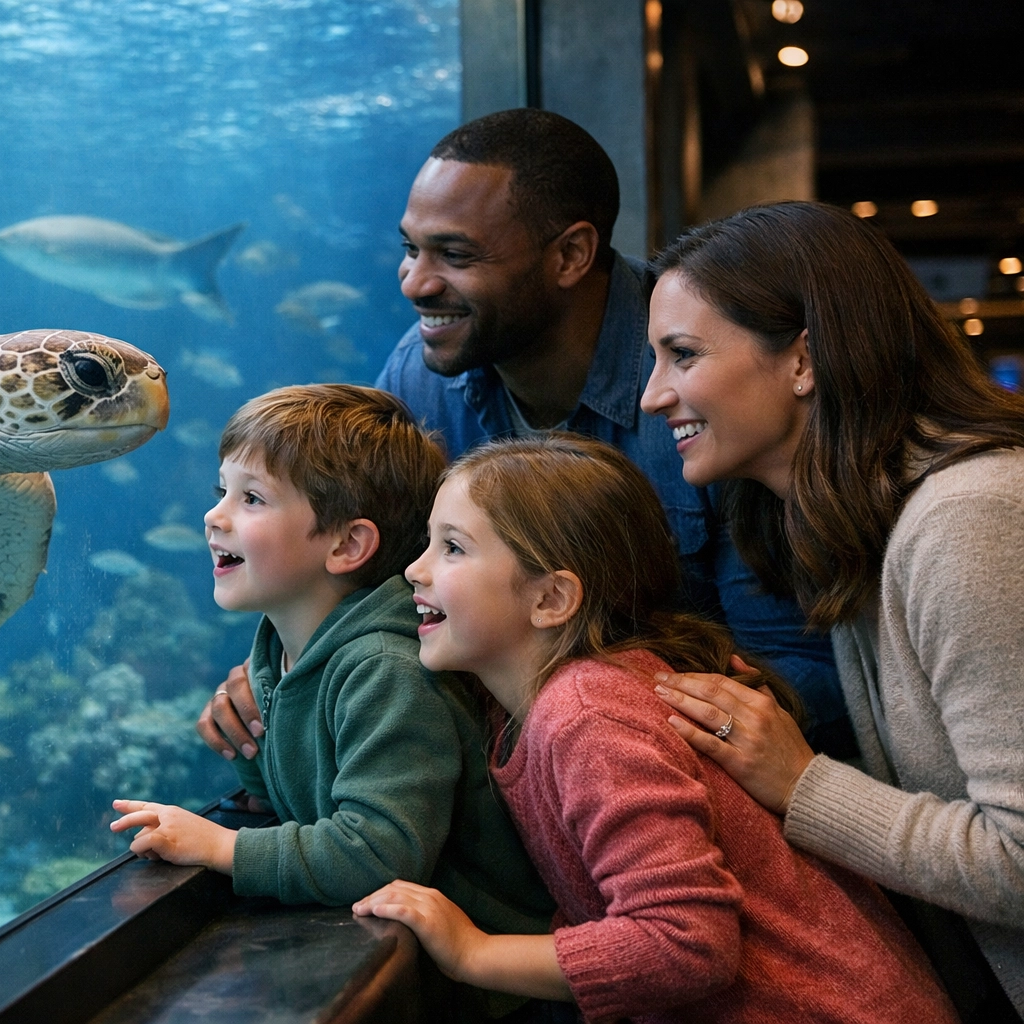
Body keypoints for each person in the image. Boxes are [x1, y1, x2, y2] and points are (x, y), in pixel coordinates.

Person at [198, 108, 850, 767]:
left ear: (571, 255)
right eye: (409, 249)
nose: (415, 283)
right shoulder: (423, 377)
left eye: (454, 255)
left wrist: (598, 713)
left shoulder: (713, 389)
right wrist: (288, 674)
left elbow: (806, 678)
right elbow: (364, 586)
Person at [354, 434, 959, 1023]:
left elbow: (686, 942)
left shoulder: (587, 714)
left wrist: (473, 953)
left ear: (551, 599)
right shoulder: (539, 703)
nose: (414, 569)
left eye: (453, 548)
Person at [639, 201, 1024, 1019]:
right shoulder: (859, 522)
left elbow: (1020, 861)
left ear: (804, 359)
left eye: (682, 355)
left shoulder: (971, 519)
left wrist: (801, 782)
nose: (651, 396)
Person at [109, 385, 554, 950]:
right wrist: (247, 754)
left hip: (481, 986)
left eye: (252, 499)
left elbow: (377, 852)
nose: (213, 515)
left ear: (347, 545)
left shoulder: (385, 670)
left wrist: (221, 847)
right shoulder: (279, 644)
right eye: (222, 490)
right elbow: (296, 790)